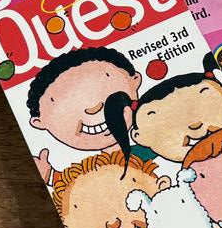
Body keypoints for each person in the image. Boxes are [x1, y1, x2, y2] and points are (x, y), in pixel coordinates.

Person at [24, 47, 142, 185]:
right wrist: (49, 175)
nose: (93, 108)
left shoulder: (147, 149)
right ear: (40, 122)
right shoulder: (93, 168)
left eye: (101, 87)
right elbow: (76, 183)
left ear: (134, 80)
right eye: (68, 104)